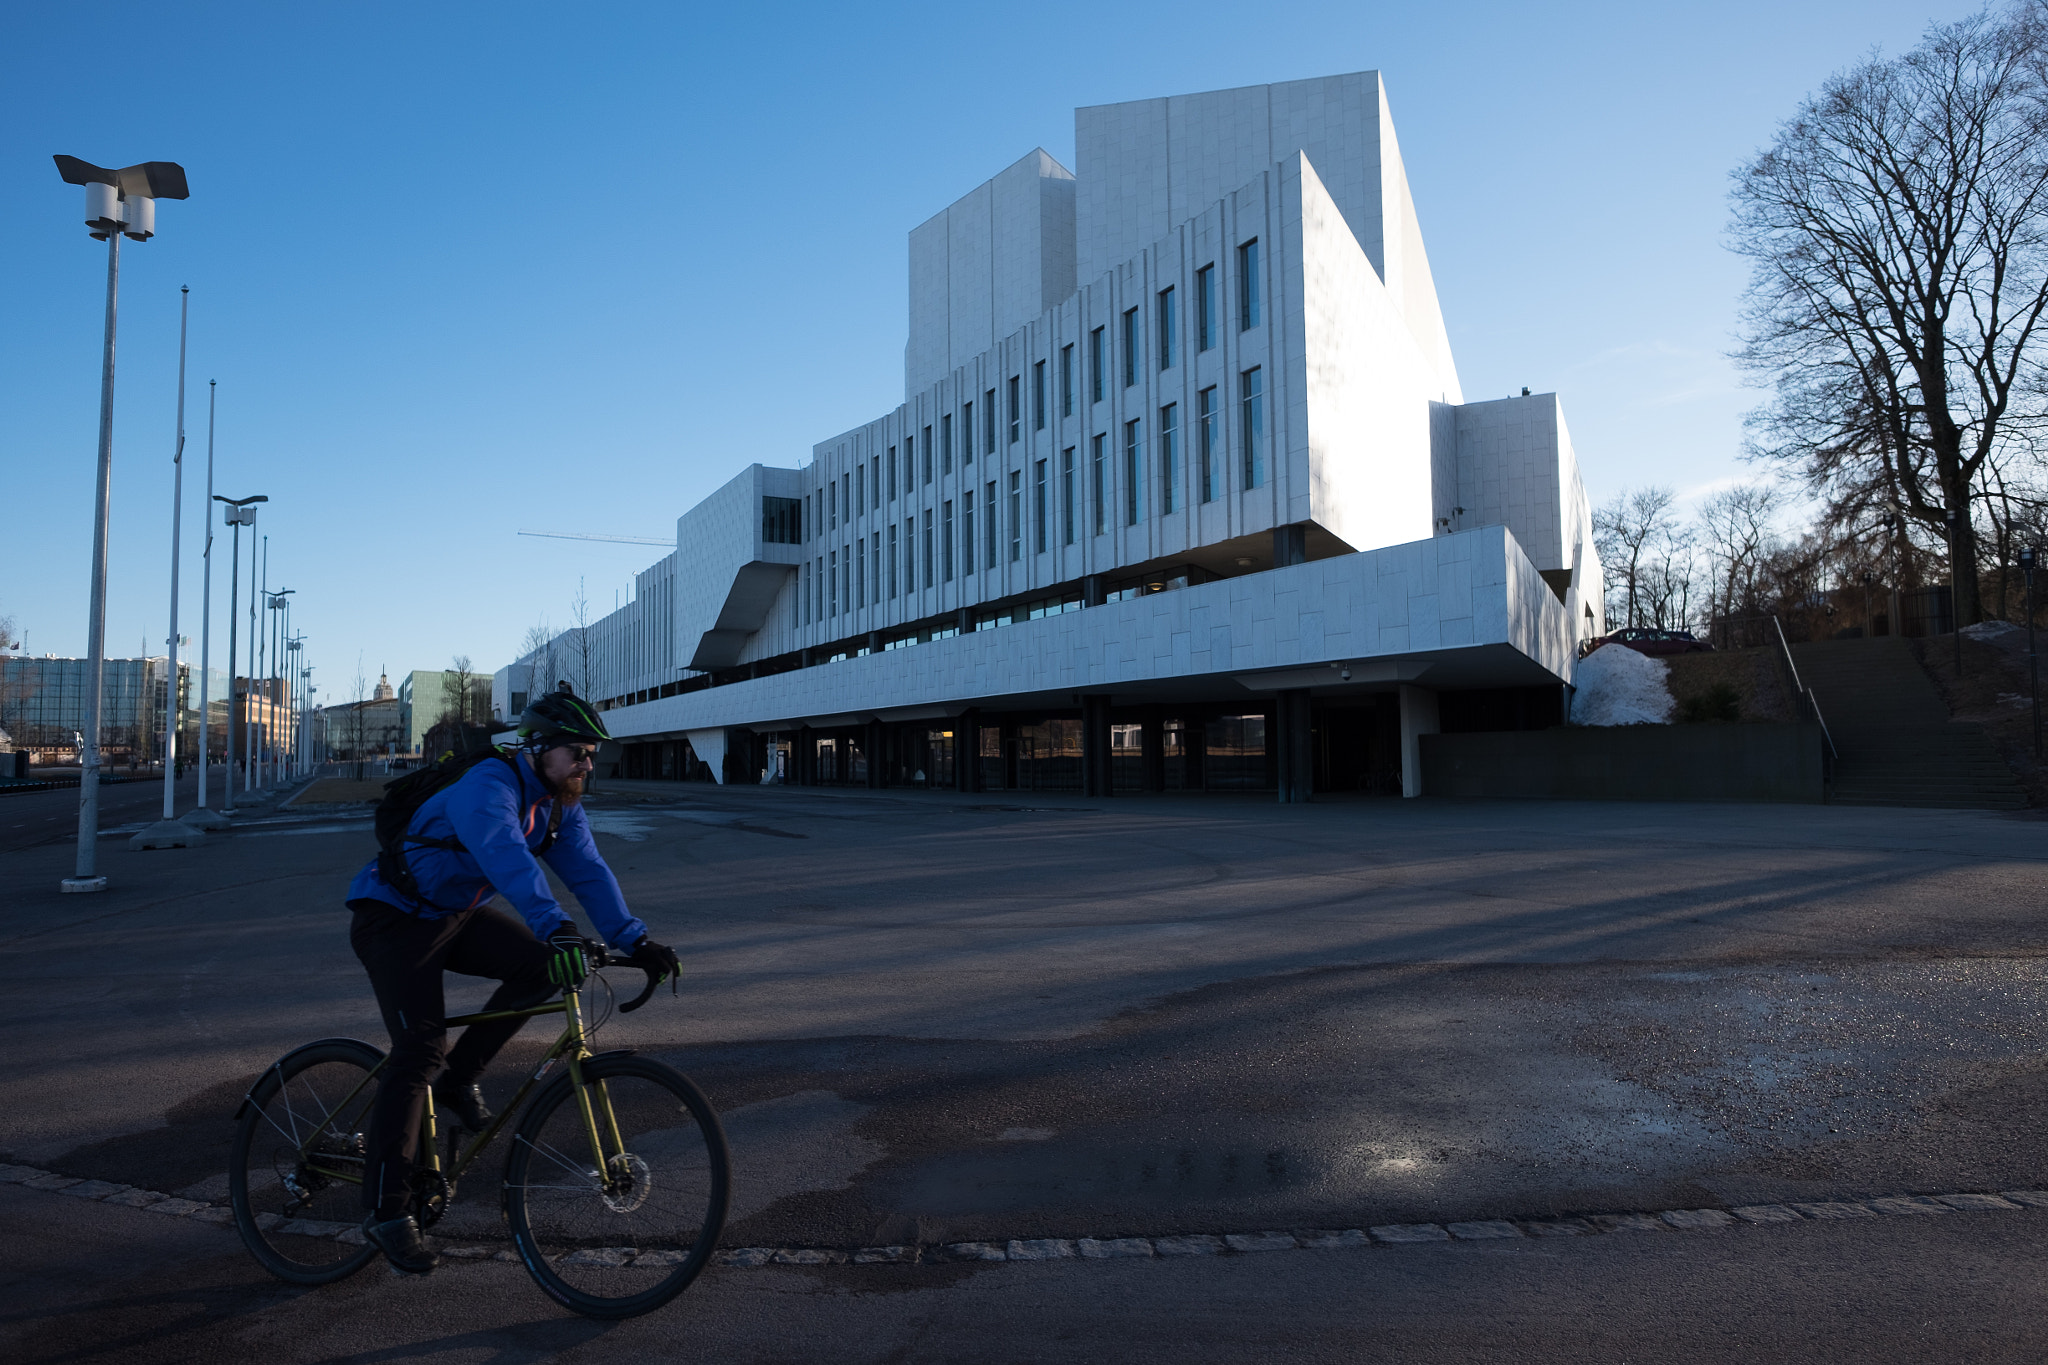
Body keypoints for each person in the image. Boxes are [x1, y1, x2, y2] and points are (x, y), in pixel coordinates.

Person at [343, 686, 680, 1275]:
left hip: (452, 915)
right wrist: (554, 924)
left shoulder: (559, 805)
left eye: (593, 753)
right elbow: (505, 856)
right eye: (578, 751)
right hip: (392, 918)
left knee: (543, 968)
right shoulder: (488, 787)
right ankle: (386, 1211)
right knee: (419, 1049)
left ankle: (458, 1082)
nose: (587, 763)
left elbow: (590, 872)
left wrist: (636, 940)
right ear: (539, 748)